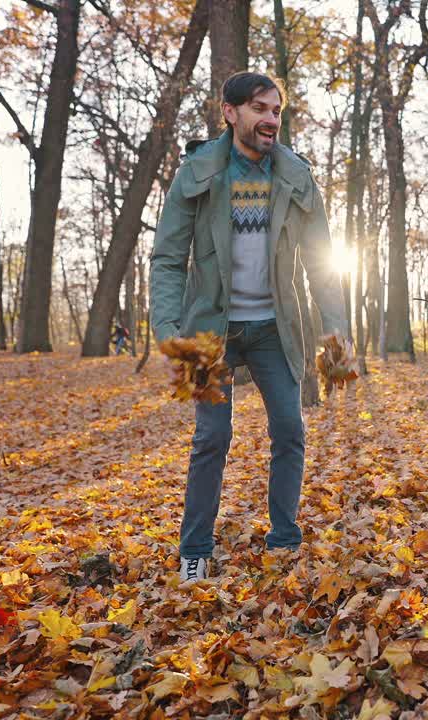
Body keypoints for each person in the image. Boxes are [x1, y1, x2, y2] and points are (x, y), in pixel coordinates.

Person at [150, 72, 346, 582]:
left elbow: (321, 258)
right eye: (260, 108)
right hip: (207, 331)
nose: (271, 120)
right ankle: (194, 549)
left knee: (290, 430)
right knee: (211, 437)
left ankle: (284, 540)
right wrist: (168, 325)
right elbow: (169, 258)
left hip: (273, 330)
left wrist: (334, 325)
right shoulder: (196, 171)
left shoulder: (297, 176)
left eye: (277, 111)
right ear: (230, 112)